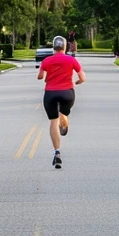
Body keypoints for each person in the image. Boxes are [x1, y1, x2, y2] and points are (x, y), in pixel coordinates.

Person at [37, 35, 85, 169]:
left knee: (53, 121)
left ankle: (57, 153)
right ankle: (64, 122)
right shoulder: (71, 60)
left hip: (51, 93)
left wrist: (45, 75)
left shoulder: (47, 60)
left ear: (53, 47)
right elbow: (82, 77)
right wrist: (77, 82)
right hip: (67, 93)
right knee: (64, 114)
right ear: (64, 47)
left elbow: (40, 76)